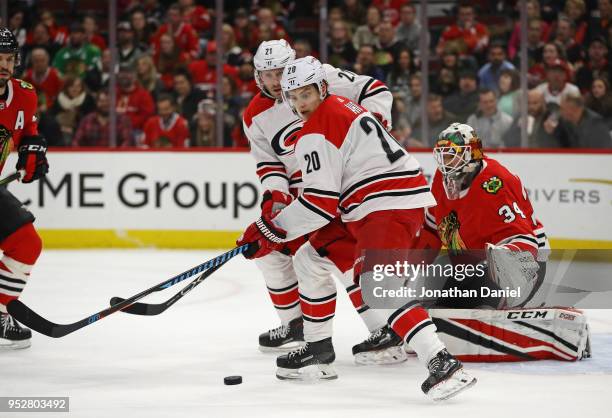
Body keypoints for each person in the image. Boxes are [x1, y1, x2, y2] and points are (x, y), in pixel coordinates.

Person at [238, 56, 476, 401]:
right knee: (311, 257)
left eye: (307, 94)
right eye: (293, 96)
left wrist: (270, 229)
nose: (300, 103)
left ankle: (441, 361)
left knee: (379, 282)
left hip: (385, 203)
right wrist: (272, 228)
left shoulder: (318, 129)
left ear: (322, 88)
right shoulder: (341, 105)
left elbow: (319, 205)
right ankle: (318, 349)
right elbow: (326, 202)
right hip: (372, 203)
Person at [239, 40, 405, 366]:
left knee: (335, 253)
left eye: (279, 72)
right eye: (266, 74)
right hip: (303, 194)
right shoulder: (254, 116)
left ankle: (384, 327)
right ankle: (295, 325)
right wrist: (275, 195)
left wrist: (373, 128)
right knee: (272, 256)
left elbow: (375, 90)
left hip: (340, 183)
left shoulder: (319, 78)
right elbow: (269, 163)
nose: (274, 81)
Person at [415, 123, 590, 361]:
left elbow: (525, 242)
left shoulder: (495, 183)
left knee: (485, 274)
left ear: (470, 155)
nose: (446, 163)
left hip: (525, 265)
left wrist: (503, 277)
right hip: (469, 268)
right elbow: (431, 231)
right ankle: (480, 309)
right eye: (443, 155)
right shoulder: (441, 179)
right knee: (435, 292)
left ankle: (504, 306)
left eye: (452, 156)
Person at [0, 28, 49, 349]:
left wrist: (32, 149)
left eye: (8, 59)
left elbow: (27, 128)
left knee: (26, 243)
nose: (3, 65)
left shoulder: (25, 94)